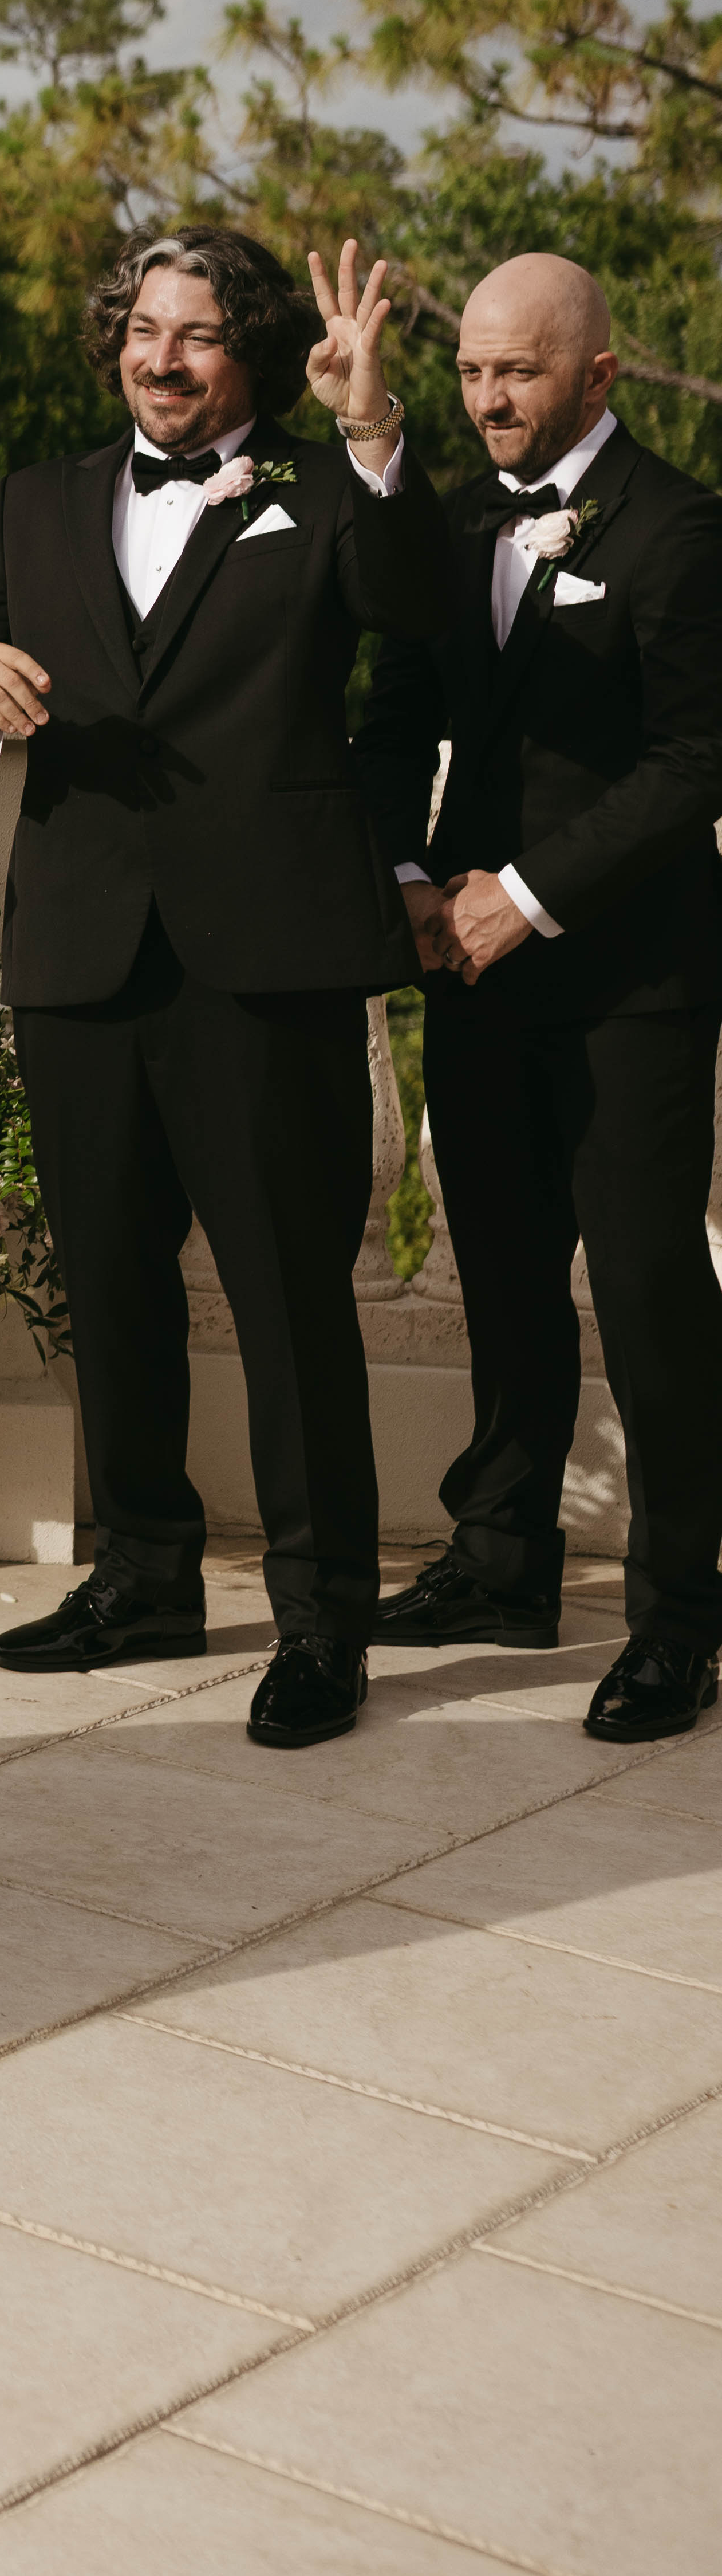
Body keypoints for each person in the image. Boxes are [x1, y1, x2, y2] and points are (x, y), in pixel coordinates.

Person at [0, 229, 449, 1748]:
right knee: (111, 1287)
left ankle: (321, 1620)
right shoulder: (37, 499)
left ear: (257, 354)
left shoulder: (326, 484)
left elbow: (411, 600)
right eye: (146, 328)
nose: (161, 357)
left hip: (266, 955)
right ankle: (141, 1576)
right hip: (80, 952)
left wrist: (368, 427)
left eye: (198, 335)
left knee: (289, 1301)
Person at [355, 256, 722, 1745]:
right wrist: (407, 875)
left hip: (630, 972)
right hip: (473, 969)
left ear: (600, 375)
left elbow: (697, 761)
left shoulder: (686, 531)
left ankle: (680, 1617)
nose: (490, 398)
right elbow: (395, 715)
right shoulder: (452, 525)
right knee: (503, 1277)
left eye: (518, 373)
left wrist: (530, 891)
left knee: (642, 1290)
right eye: (471, 374)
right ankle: (502, 1561)